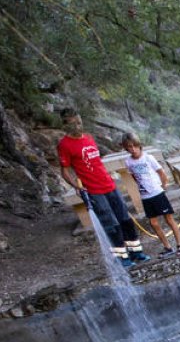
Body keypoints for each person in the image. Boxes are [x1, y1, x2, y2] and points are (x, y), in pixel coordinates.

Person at [57, 109, 149, 267]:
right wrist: (76, 187)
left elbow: (95, 162)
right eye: (73, 124)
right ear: (65, 125)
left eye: (79, 122)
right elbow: (65, 171)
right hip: (94, 190)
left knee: (125, 219)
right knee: (111, 224)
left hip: (109, 184)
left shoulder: (89, 138)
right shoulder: (64, 145)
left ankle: (136, 252)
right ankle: (122, 257)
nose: (78, 126)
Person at [121, 132, 180, 259]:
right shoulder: (128, 162)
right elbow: (135, 177)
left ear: (139, 145)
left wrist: (163, 185)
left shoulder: (148, 158)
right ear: (126, 148)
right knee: (154, 223)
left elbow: (161, 172)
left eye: (135, 146)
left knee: (169, 219)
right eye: (129, 147)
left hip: (157, 193)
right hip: (146, 197)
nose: (133, 149)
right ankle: (167, 247)